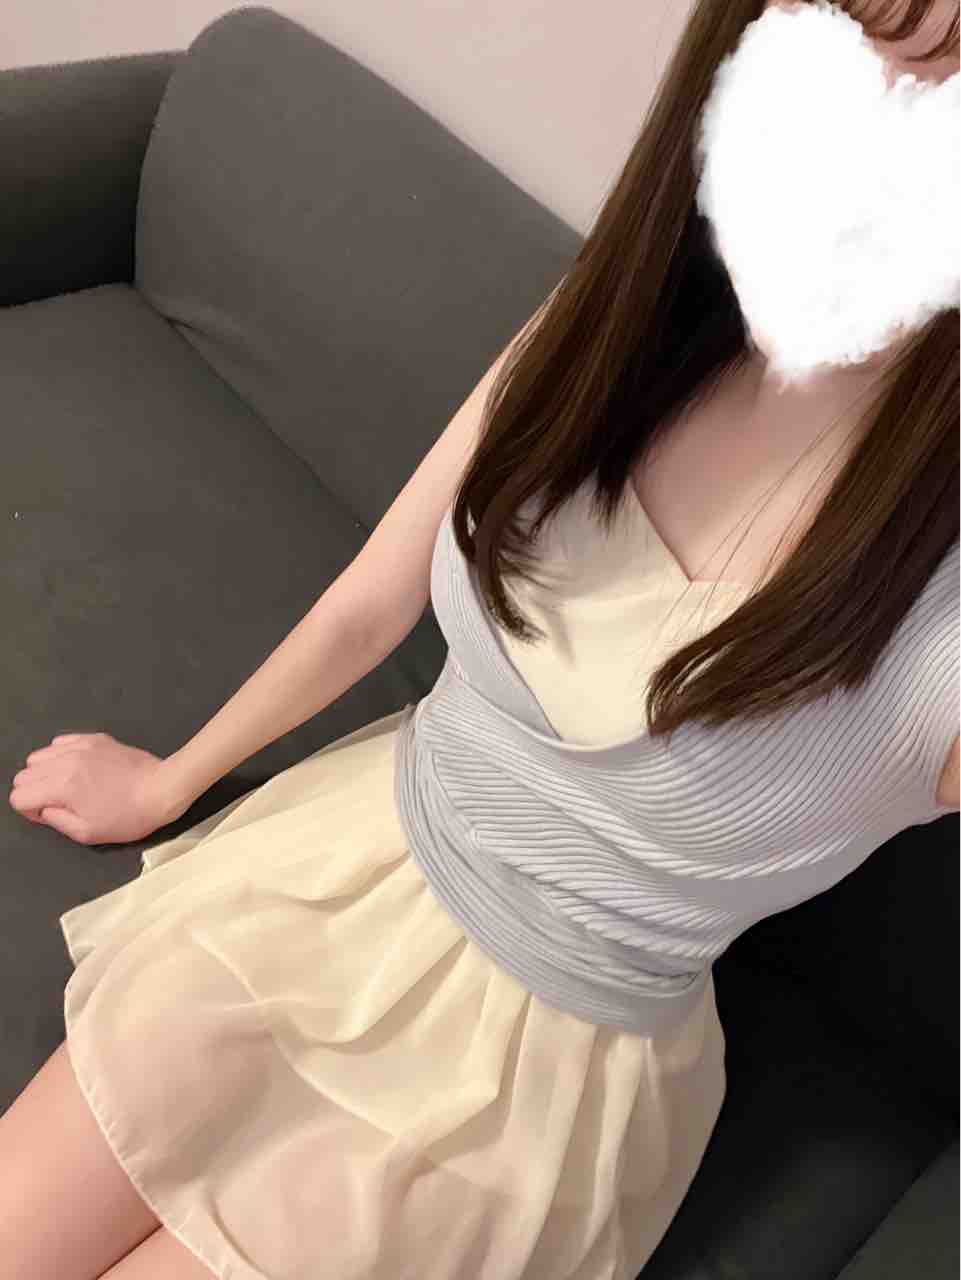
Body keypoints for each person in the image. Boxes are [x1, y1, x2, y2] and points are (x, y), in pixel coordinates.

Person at [4, 2, 959, 1278]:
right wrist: (170, 780)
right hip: (338, 872)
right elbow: (374, 596)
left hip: (524, 1094)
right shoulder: (625, 327)